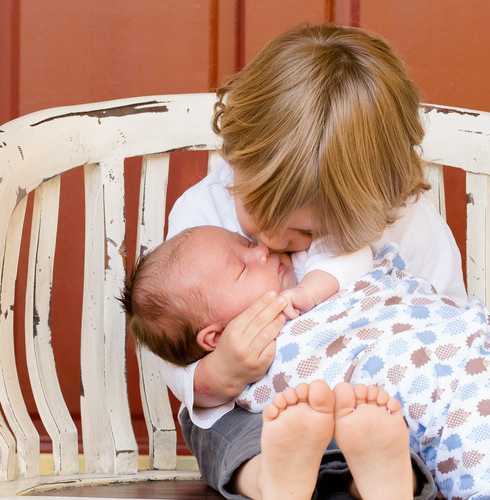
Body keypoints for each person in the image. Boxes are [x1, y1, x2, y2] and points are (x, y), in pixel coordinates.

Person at [159, 23, 467, 499]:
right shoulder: (202, 215)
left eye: (307, 233)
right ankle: (271, 479)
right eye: (257, 214)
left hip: (379, 405)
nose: (272, 241)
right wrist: (219, 372)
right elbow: (174, 338)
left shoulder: (408, 225)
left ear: (376, 201)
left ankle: (387, 480)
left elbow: (449, 325)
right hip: (263, 415)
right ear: (237, 160)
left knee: (400, 434)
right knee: (223, 432)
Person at [124, 226, 490, 499]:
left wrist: (310, 291)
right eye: (241, 263)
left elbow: (373, 277)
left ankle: (374, 480)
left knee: (378, 406)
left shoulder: (316, 260)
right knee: (215, 420)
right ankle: (332, 480)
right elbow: (196, 386)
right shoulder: (198, 231)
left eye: (246, 243)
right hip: (338, 412)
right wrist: (224, 372)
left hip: (445, 366)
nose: (261, 249)